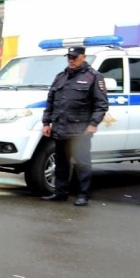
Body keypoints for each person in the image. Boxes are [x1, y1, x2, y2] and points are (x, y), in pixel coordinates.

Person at [41, 46, 109, 206]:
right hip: (60, 127)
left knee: (82, 163)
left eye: (74, 57)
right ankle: (60, 192)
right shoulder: (60, 77)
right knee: (61, 163)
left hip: (80, 130)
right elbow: (50, 101)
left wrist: (93, 124)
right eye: (69, 57)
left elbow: (101, 104)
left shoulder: (93, 77)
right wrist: (46, 122)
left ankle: (83, 195)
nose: (71, 60)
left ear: (83, 57)